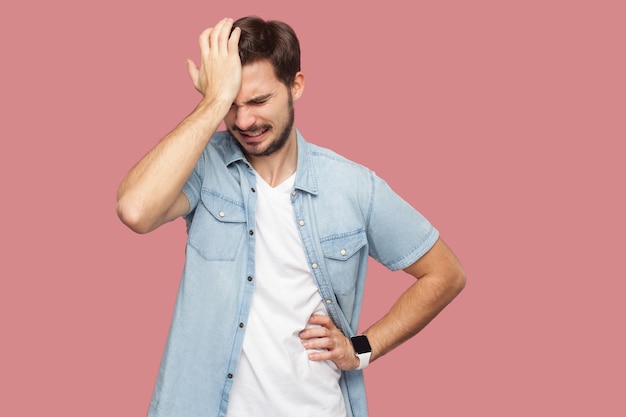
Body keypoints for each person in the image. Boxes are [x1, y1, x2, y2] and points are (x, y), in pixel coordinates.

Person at [116, 16, 466, 417]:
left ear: (295, 86)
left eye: (259, 101)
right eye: (232, 105)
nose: (244, 121)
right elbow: (135, 210)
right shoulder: (201, 166)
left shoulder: (351, 186)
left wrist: (362, 348)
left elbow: (445, 273)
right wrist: (212, 101)